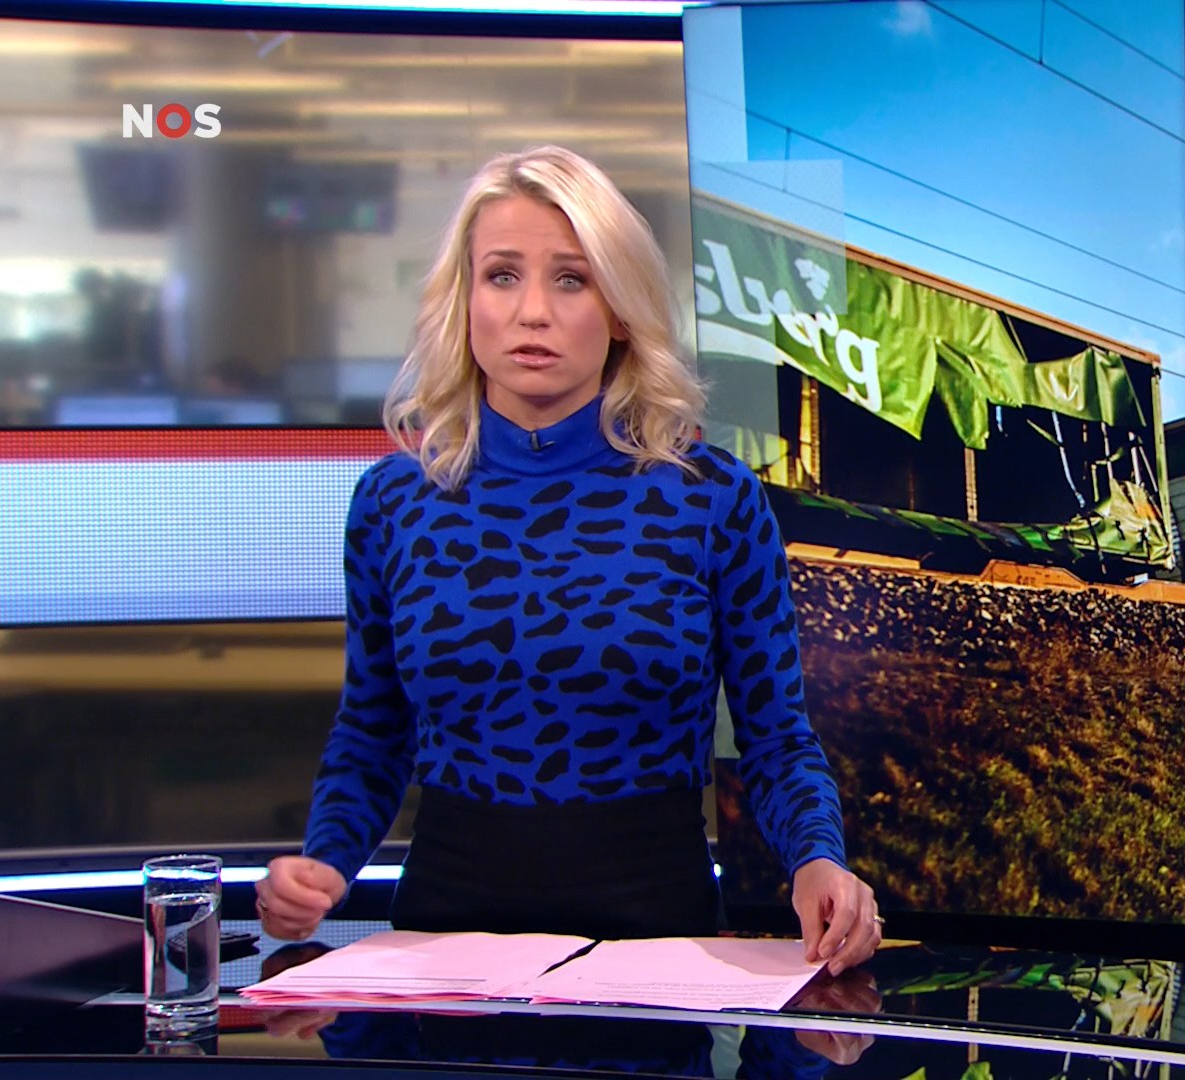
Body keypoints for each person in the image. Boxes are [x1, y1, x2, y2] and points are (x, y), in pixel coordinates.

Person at [256, 144, 882, 976]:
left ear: (620, 310)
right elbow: (373, 730)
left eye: (572, 280)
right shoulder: (394, 502)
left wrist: (817, 860)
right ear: (465, 300)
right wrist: (324, 863)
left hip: (657, 948)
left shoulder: (711, 497)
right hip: (446, 952)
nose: (532, 313)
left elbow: (774, 737)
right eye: (502, 276)